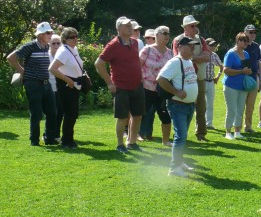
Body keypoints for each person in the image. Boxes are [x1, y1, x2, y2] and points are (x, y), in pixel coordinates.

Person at [95, 17, 145, 153]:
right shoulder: (113, 45)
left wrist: (141, 77)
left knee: (137, 115)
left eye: (130, 25)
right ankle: (120, 144)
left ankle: (132, 142)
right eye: (126, 25)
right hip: (121, 87)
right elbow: (98, 64)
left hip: (137, 85)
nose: (129, 27)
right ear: (119, 29)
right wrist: (109, 83)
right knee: (122, 117)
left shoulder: (134, 43)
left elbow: (135, 63)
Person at [7, 22, 57, 146]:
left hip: (46, 83)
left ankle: (49, 138)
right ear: (40, 35)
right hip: (32, 84)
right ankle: (34, 140)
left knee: (52, 112)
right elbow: (10, 57)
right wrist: (22, 70)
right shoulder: (30, 46)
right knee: (36, 113)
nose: (51, 35)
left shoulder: (46, 47)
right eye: (48, 33)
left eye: (51, 32)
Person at [156, 37, 199, 177]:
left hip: (188, 105)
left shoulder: (189, 62)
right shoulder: (175, 62)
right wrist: (176, 92)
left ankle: (179, 162)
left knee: (181, 135)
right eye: (190, 46)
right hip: (178, 105)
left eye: (194, 46)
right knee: (181, 136)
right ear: (179, 47)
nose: (193, 48)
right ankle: (174, 168)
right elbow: (160, 79)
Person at [173, 15, 210, 142]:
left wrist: (191, 56)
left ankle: (201, 134)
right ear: (185, 27)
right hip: (183, 80)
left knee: (201, 107)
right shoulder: (178, 40)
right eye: (192, 25)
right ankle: (181, 135)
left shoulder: (201, 40)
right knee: (182, 107)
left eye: (196, 25)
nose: (195, 28)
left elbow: (207, 57)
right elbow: (177, 58)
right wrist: (196, 56)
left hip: (199, 78)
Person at [49, 27, 85, 149]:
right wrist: (67, 80)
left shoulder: (73, 49)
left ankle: (68, 139)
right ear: (65, 39)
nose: (75, 39)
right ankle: (67, 141)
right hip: (67, 86)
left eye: (76, 36)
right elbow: (52, 69)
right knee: (70, 113)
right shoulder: (63, 51)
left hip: (74, 85)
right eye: (72, 37)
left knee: (73, 114)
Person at [138, 25, 173, 146]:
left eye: (168, 33)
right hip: (146, 88)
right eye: (164, 33)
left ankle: (166, 141)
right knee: (140, 114)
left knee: (165, 115)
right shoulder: (147, 50)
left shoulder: (170, 53)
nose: (167, 36)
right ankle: (133, 137)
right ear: (156, 35)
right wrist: (140, 81)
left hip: (162, 89)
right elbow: (137, 66)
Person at [222, 33, 253, 140]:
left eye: (247, 41)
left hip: (242, 85)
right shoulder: (230, 53)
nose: (245, 43)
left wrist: (248, 71)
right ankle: (228, 132)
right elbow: (225, 70)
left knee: (240, 109)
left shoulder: (246, 54)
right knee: (232, 110)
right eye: (243, 40)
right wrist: (241, 71)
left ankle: (237, 132)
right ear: (238, 41)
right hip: (231, 85)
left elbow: (247, 68)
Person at [242, 24, 261, 131]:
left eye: (254, 32)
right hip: (242, 77)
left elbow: (258, 62)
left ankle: (248, 127)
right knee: (240, 105)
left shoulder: (256, 46)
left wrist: (260, 80)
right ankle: (236, 127)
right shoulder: (241, 45)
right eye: (251, 32)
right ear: (245, 33)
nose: (253, 34)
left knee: (250, 105)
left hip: (254, 77)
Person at [204, 38, 223, 130]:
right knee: (201, 104)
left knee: (210, 104)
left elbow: (221, 66)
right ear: (206, 45)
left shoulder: (214, 55)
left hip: (211, 81)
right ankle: (200, 123)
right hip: (201, 81)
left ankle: (209, 124)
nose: (213, 47)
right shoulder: (202, 54)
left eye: (214, 45)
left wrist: (218, 76)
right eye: (211, 45)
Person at [48, 34, 62, 142]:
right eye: (54, 43)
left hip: (61, 88)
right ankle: (49, 134)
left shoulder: (62, 56)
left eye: (58, 43)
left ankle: (56, 134)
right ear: (49, 44)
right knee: (52, 112)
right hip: (49, 88)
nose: (56, 45)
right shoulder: (46, 56)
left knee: (60, 112)